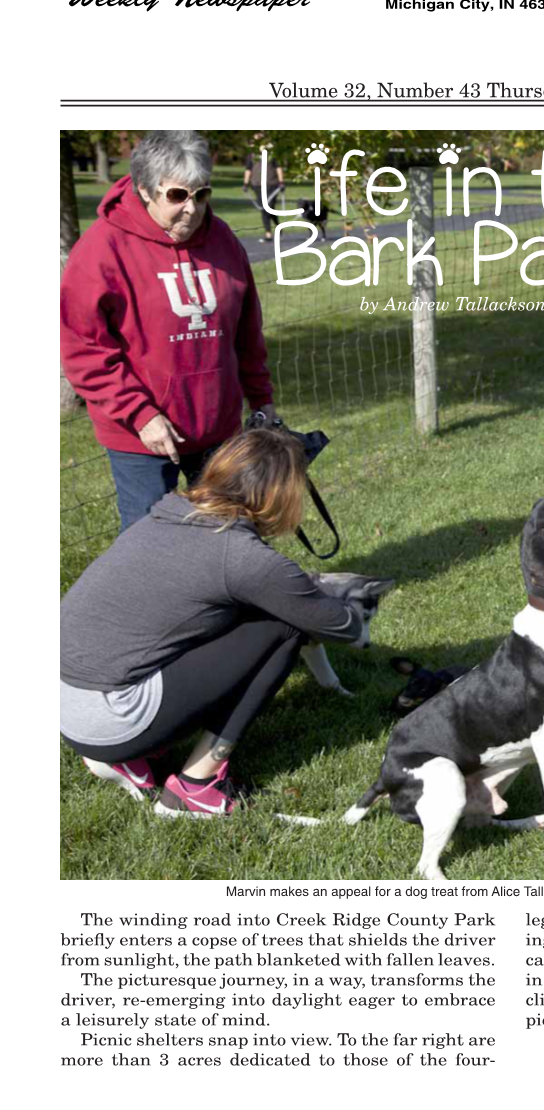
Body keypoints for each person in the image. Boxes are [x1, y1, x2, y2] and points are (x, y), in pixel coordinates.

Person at [60, 429, 364, 818]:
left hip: (69, 707)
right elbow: (344, 628)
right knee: (281, 626)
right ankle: (195, 787)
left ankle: (133, 757)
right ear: (281, 496)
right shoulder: (242, 558)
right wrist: (326, 592)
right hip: (112, 719)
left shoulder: (167, 511)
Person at [60, 131, 276, 532]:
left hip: (217, 427)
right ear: (145, 189)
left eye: (202, 194)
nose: (191, 210)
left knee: (227, 534)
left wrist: (261, 399)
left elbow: (247, 332)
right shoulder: (101, 250)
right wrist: (141, 414)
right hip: (142, 436)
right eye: (177, 196)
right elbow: (84, 351)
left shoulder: (223, 240)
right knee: (148, 543)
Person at [243, 134, 286, 241]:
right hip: (257, 185)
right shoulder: (252, 155)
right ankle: (268, 233)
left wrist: (281, 182)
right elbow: (248, 169)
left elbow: (278, 168)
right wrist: (245, 183)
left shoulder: (272, 154)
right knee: (263, 209)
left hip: (272, 184)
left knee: (269, 208)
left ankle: (277, 226)